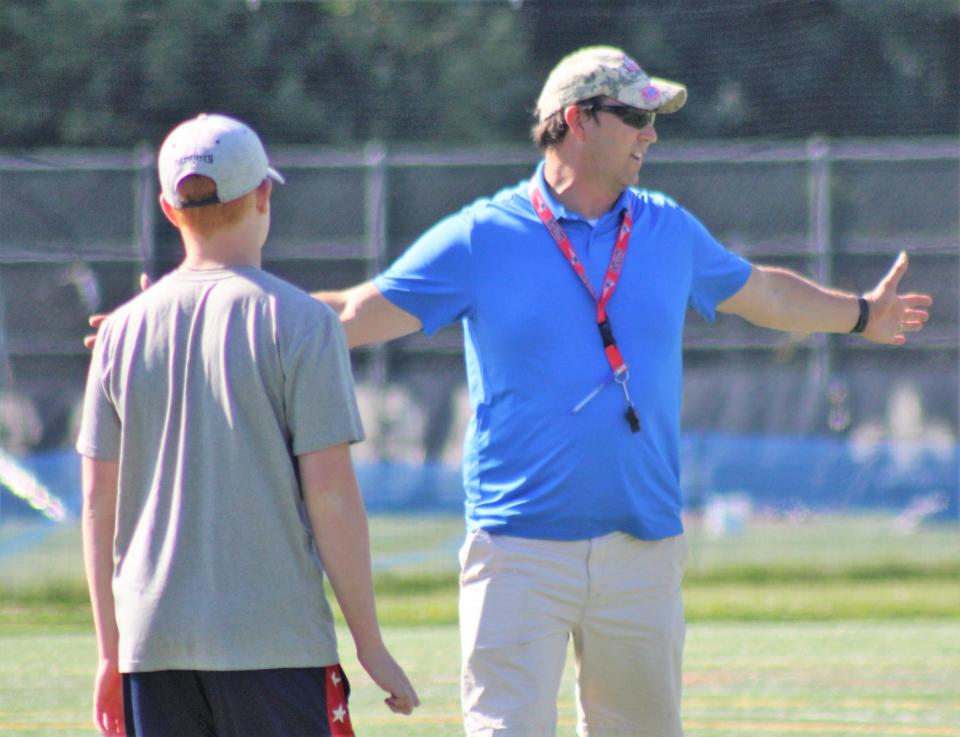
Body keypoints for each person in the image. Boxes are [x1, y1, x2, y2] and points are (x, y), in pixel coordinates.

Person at [311, 46, 933, 736]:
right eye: (637, 115)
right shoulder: (483, 234)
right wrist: (209, 307)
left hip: (643, 549)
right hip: (517, 550)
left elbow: (761, 292)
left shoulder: (667, 225)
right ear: (576, 120)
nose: (652, 133)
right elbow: (346, 315)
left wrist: (861, 313)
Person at [77, 113, 419, 737]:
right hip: (275, 643)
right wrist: (370, 646)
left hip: (152, 647)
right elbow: (333, 497)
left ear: (168, 207)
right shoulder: (303, 323)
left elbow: (99, 506)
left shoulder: (118, 332)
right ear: (263, 193)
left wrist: (110, 652)